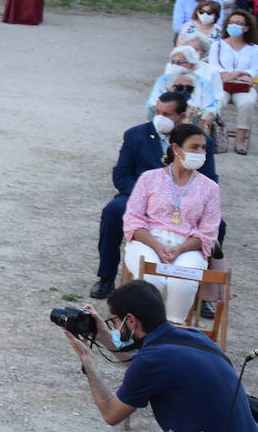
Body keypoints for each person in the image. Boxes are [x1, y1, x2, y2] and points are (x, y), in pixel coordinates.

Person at [64, 280, 258, 432]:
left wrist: (87, 361)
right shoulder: (194, 336)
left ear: (130, 320)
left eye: (114, 321)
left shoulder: (152, 360)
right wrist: (105, 338)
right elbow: (145, 369)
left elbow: (111, 414)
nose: (114, 327)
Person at [91, 92, 217, 299]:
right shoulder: (135, 135)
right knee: (113, 211)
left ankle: (204, 292)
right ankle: (106, 277)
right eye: (157, 112)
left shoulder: (201, 142)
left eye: (166, 114)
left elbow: (210, 179)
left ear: (181, 116)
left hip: (185, 202)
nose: (159, 118)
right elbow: (121, 175)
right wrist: (148, 197)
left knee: (218, 225)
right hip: (139, 195)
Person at [121, 123, 222, 321]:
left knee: (183, 282)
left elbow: (209, 231)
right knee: (151, 280)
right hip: (148, 240)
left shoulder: (210, 188)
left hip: (189, 245)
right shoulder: (149, 178)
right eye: (194, 147)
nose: (200, 153)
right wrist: (157, 246)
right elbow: (133, 218)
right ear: (176, 148)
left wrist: (180, 249)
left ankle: (174, 328)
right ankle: (146, 329)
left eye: (203, 148)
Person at [211, 9, 258, 154]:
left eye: (238, 23)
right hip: (222, 85)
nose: (234, 26)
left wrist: (239, 74)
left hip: (243, 86)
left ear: (246, 28)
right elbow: (214, 67)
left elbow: (255, 69)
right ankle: (216, 137)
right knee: (217, 102)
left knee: (247, 103)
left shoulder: (254, 49)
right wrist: (238, 74)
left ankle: (239, 141)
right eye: (231, 22)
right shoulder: (218, 45)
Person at [147, 47, 218, 135]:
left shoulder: (204, 83)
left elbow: (210, 109)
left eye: (179, 63)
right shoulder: (163, 80)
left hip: (193, 125)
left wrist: (194, 116)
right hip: (165, 121)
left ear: (192, 64)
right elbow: (152, 104)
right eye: (173, 62)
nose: (175, 66)